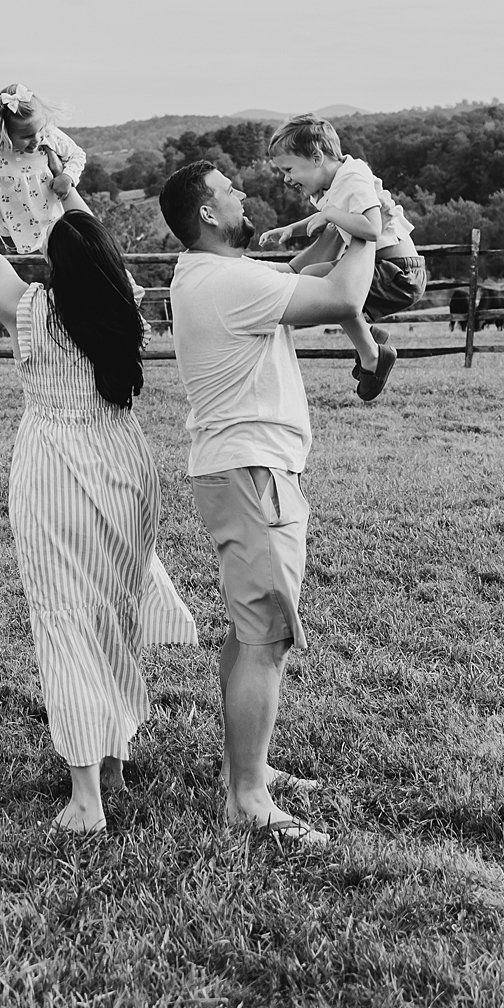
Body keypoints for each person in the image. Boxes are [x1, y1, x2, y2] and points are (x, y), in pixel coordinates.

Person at [160, 158, 380, 851]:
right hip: (253, 474)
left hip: (238, 469)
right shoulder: (228, 281)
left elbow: (295, 272)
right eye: (229, 191)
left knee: (247, 625)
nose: (243, 193)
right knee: (267, 634)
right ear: (206, 213)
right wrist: (368, 229)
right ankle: (247, 800)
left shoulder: (207, 273)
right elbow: (343, 299)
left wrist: (330, 233)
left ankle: (245, 767)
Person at [0, 185, 197, 834]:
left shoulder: (34, 308)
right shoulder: (128, 304)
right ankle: (114, 759)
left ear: (54, 264)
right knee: (112, 616)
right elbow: (103, 252)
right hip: (125, 469)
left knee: (64, 623)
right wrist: (69, 191)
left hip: (53, 476)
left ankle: (87, 798)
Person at [259, 116, 425, 402]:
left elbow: (371, 228)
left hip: (396, 272)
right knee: (312, 275)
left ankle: (373, 355)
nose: (286, 179)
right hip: (381, 267)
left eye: (288, 169)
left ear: (316, 157)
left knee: (329, 290)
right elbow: (332, 215)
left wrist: (330, 215)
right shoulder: (335, 184)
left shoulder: (352, 177)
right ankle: (370, 338)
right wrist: (292, 229)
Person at [0, 83, 86, 253]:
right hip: (12, 222)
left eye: (40, 130)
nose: (37, 139)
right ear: (4, 132)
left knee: (59, 251)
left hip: (50, 216)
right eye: (27, 136)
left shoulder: (50, 135)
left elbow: (77, 154)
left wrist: (67, 176)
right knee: (14, 254)